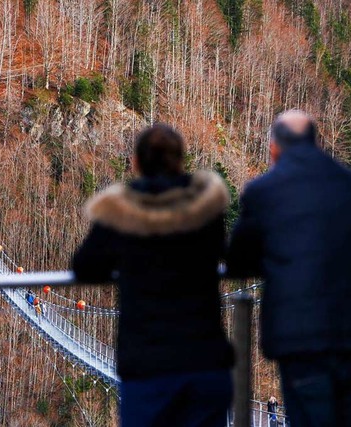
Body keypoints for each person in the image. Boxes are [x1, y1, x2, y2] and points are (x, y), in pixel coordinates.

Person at [227, 110, 351, 427]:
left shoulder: (264, 191)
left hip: (303, 342)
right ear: (316, 141)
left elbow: (238, 261)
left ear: (274, 148)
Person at [73, 124, 234, 427]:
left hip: (148, 364)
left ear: (136, 162)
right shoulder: (206, 207)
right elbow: (231, 255)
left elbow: (86, 266)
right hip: (204, 359)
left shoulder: (122, 209)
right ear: (181, 159)